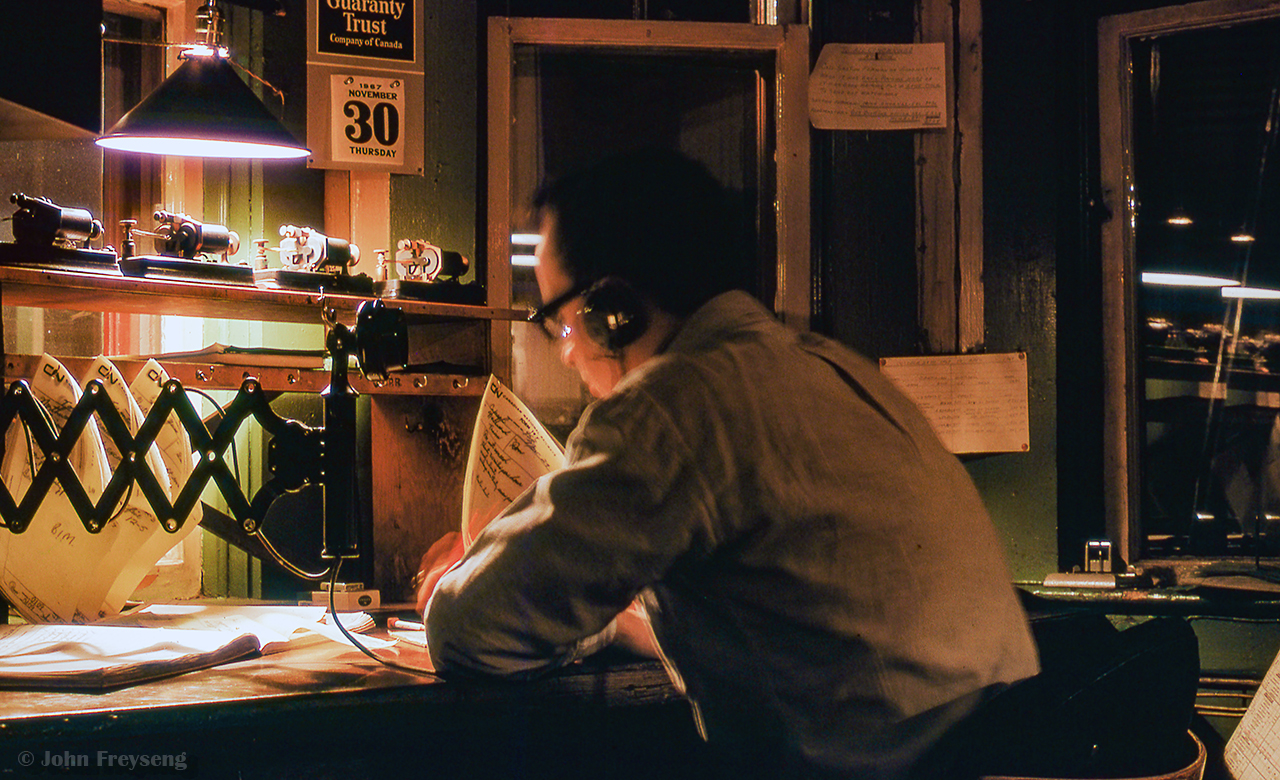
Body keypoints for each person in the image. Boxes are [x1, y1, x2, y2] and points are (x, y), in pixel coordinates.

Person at [419, 147, 1040, 779]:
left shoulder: (671, 405)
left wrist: (460, 579)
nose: (567, 354)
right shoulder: (830, 368)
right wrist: (612, 624)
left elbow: (469, 631)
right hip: (989, 749)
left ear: (615, 310)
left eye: (561, 322)